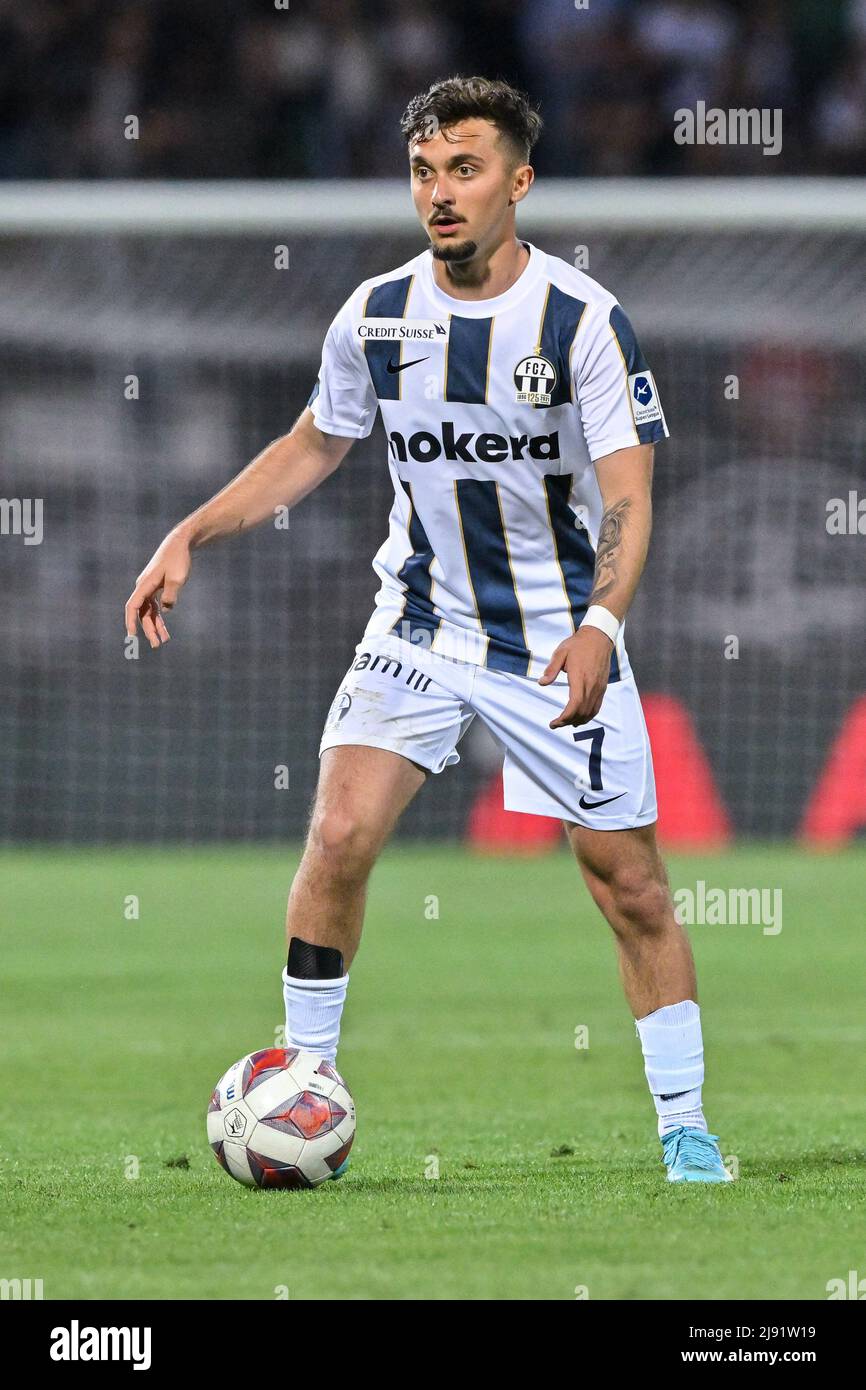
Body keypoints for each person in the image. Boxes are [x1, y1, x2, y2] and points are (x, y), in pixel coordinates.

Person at [125, 76, 730, 1184]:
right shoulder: (374, 315)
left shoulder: (579, 321)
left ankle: (685, 1127)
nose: (439, 192)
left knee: (628, 883)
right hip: (417, 622)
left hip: (555, 636)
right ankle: (306, 1082)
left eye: (463, 169)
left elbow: (630, 495)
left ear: (517, 183)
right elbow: (314, 443)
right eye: (422, 171)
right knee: (338, 834)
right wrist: (192, 531)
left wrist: (600, 622)